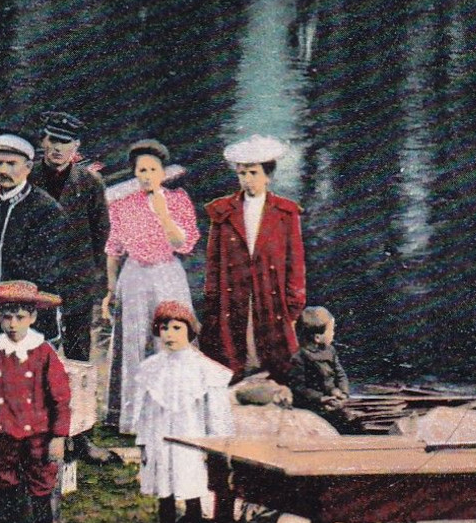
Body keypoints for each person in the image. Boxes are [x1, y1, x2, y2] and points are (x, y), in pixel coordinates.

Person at [0, 280, 72, 523]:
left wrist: (59, 437)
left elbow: (61, 398)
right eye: (7, 317)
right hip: (1, 437)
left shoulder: (44, 353)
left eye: (20, 317)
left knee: (40, 492)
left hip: (37, 438)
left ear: (33, 317)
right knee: (3, 492)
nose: (13, 324)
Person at [104, 139, 199, 434]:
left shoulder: (177, 199)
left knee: (169, 336)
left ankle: (171, 414)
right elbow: (113, 248)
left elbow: (183, 244)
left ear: (163, 171)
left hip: (167, 272)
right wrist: (110, 289)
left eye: (152, 169)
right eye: (141, 170)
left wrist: (163, 213)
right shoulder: (123, 204)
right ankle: (131, 418)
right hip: (134, 274)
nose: (146, 175)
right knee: (133, 340)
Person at [133, 301, 236, 523]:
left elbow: (217, 415)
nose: (169, 334)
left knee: (191, 493)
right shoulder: (152, 368)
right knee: (164, 494)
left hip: (190, 440)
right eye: (164, 328)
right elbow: (146, 412)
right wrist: (144, 442)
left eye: (177, 328)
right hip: (161, 438)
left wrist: (215, 446)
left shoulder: (203, 369)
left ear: (189, 332)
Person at [202, 135, 306, 383]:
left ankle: (271, 382)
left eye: (253, 173)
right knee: (232, 343)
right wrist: (212, 297)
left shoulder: (285, 212)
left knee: (274, 348)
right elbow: (213, 261)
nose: (247, 180)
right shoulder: (223, 211)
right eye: (242, 174)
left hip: (269, 290)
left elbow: (295, 261)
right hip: (234, 290)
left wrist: (294, 302)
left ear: (267, 176)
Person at [0, 135, 72, 336]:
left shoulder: (46, 209)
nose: (3, 170)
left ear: (28, 167)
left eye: (12, 163)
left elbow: (40, 271)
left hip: (28, 318)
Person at [29, 112, 109, 360]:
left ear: (76, 146)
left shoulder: (90, 182)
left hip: (77, 277)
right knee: (36, 343)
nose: (57, 148)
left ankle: (77, 396)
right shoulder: (28, 177)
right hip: (37, 275)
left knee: (77, 348)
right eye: (52, 140)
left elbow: (101, 231)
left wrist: (92, 274)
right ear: (43, 141)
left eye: (65, 142)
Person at [287, 306, 353, 432]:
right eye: (331, 331)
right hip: (313, 404)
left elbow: (340, 374)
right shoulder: (299, 357)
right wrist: (320, 398)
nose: (333, 334)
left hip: (334, 399)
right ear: (317, 337)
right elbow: (299, 387)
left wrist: (343, 392)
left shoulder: (331, 351)